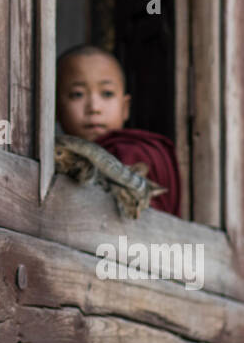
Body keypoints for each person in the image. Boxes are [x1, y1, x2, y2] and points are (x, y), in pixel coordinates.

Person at [55, 44, 182, 217]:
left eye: (107, 93)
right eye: (78, 94)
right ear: (55, 108)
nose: (94, 107)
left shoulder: (135, 151)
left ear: (125, 108)